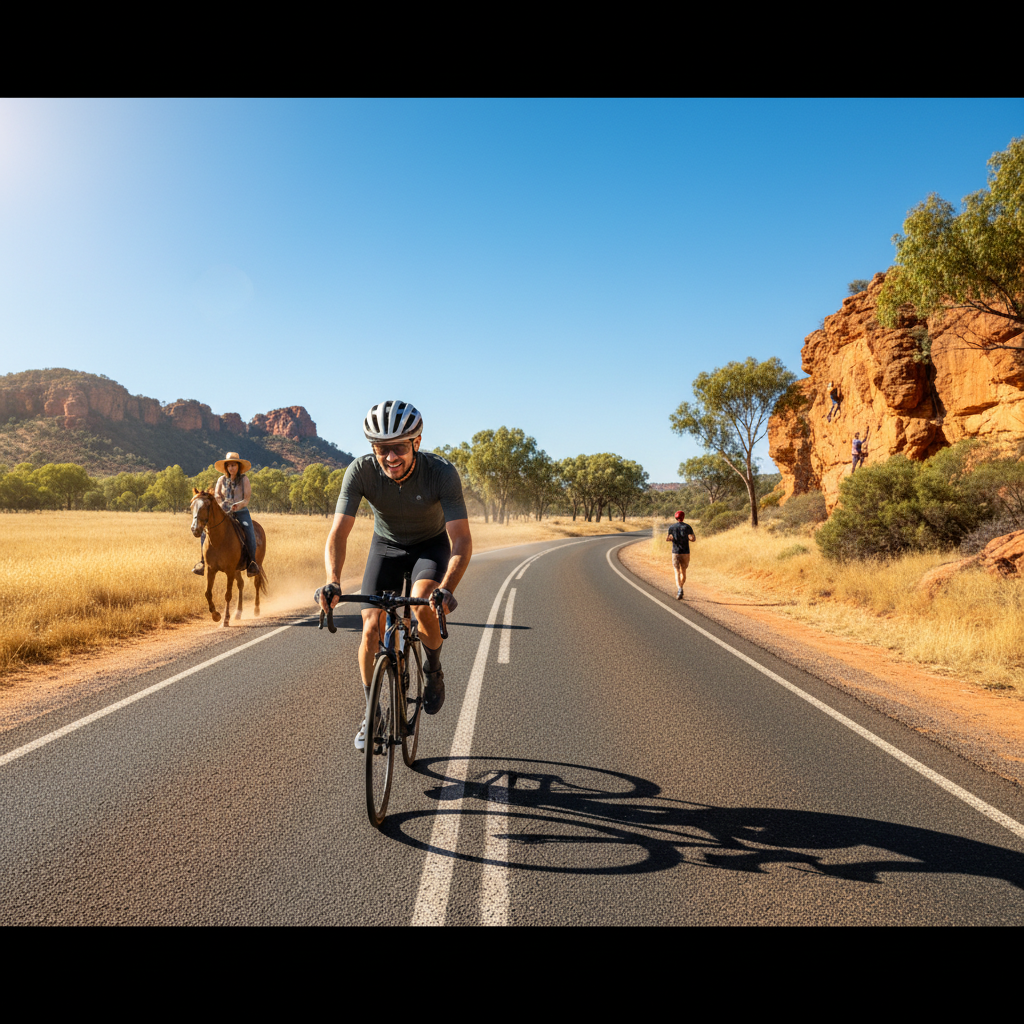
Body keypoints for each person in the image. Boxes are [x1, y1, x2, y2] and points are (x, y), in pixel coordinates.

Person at [318, 400, 472, 752]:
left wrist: (446, 589)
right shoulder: (360, 472)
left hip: (429, 547)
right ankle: (371, 713)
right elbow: (338, 534)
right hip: (385, 546)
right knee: (371, 627)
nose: (390, 457)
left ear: (416, 443)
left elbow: (461, 540)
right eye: (381, 448)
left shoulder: (441, 473)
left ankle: (433, 671)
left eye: (399, 447)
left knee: (422, 607)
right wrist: (333, 580)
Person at [193, 452, 261, 578]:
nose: (231, 468)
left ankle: (252, 562)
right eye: (229, 465)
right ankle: (202, 562)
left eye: (233, 465)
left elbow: (246, 499)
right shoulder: (221, 480)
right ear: (226, 467)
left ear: (238, 467)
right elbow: (217, 495)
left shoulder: (244, 479)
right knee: (204, 532)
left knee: (249, 530)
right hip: (224, 512)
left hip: (241, 512)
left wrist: (237, 505)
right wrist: (222, 504)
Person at [666, 510, 696, 600]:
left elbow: (668, 538)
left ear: (676, 517)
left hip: (675, 552)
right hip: (685, 552)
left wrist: (671, 538)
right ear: (683, 517)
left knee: (677, 571)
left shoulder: (671, 527)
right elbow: (693, 539)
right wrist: (689, 538)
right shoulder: (688, 527)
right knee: (684, 571)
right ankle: (681, 587)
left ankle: (679, 589)